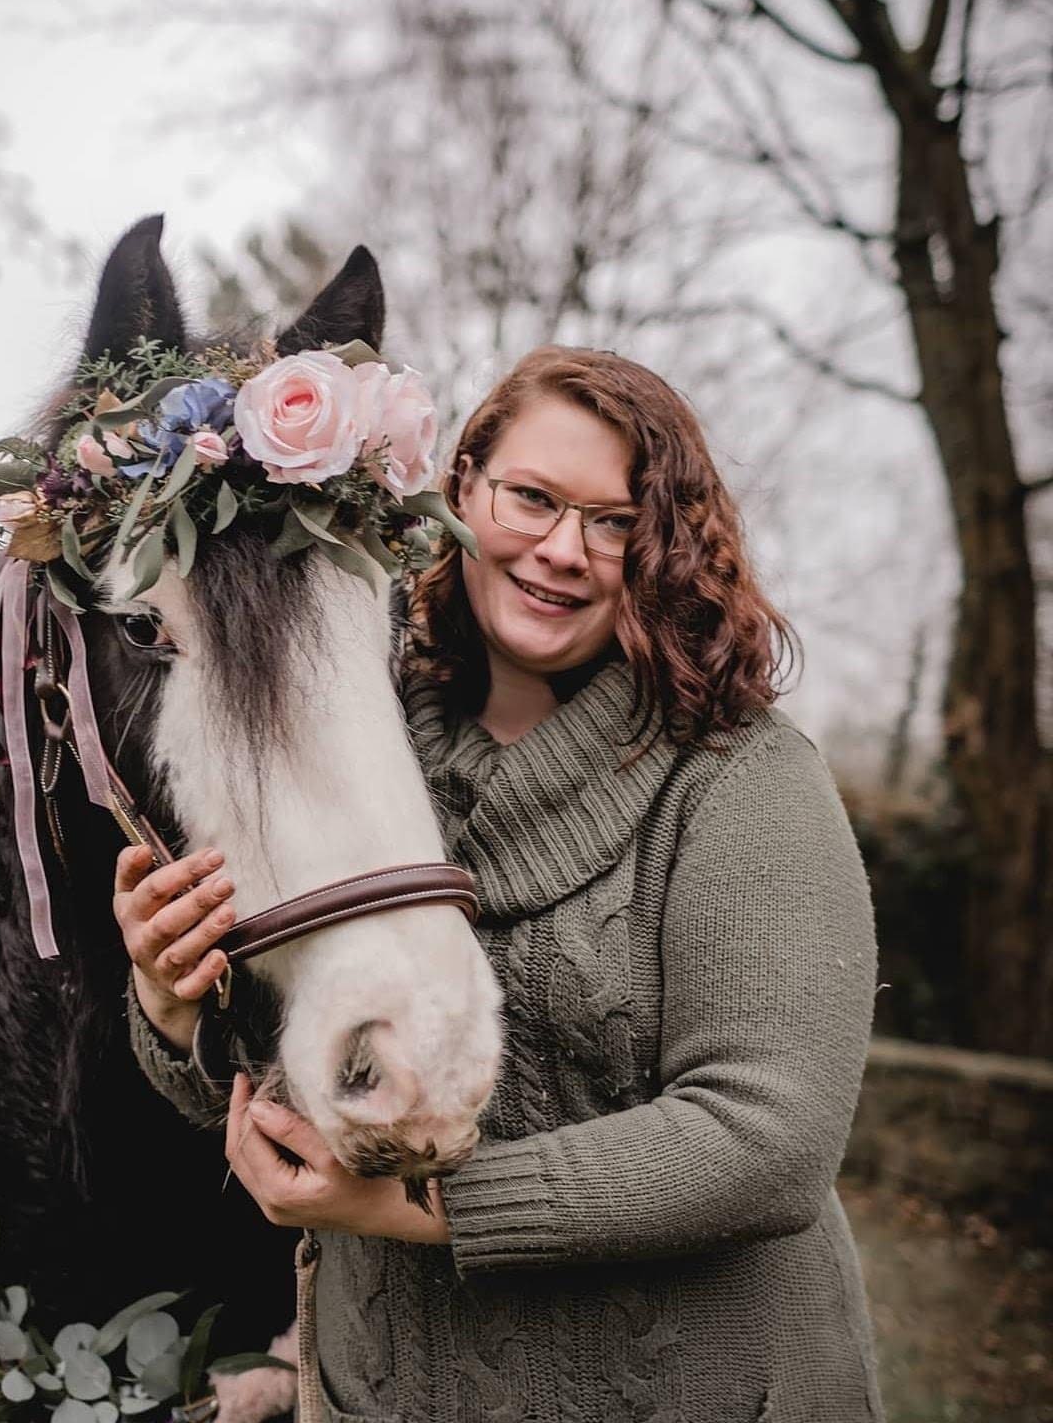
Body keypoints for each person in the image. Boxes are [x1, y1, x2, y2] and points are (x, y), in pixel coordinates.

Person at [114, 346, 883, 1421]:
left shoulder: (739, 778)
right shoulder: (353, 753)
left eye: (615, 522)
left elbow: (768, 1141)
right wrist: (173, 1002)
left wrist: (424, 1209)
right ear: (462, 490)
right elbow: (299, 1075)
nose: (564, 550)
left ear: (659, 548)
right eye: (531, 498)